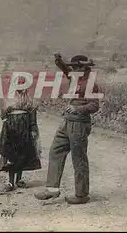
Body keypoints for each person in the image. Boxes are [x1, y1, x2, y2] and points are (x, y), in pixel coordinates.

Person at [35, 54, 102, 204]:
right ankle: (52, 189)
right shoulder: (75, 77)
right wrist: (59, 61)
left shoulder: (90, 83)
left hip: (79, 123)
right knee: (55, 151)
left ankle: (81, 195)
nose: (73, 69)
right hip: (67, 122)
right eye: (72, 67)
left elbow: (94, 106)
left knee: (79, 159)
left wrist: (77, 109)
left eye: (76, 67)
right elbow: (66, 70)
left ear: (84, 68)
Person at [0, 76, 42, 192]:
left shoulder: (29, 99)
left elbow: (33, 115)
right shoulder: (7, 98)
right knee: (11, 154)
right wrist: (8, 112)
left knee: (23, 153)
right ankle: (10, 182)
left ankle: (19, 180)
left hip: (25, 126)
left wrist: (33, 130)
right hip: (11, 127)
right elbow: (3, 116)